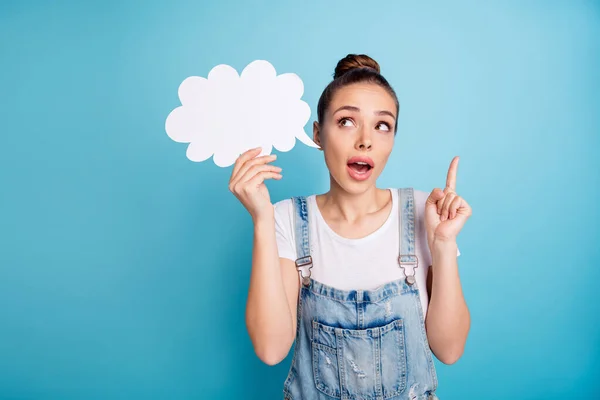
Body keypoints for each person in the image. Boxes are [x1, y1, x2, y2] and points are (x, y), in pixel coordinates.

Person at [229, 54, 472, 400]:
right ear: (318, 133)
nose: (365, 141)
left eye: (382, 125)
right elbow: (270, 349)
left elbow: (449, 350)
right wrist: (262, 220)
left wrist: (444, 243)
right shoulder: (285, 218)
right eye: (346, 122)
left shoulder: (424, 211)